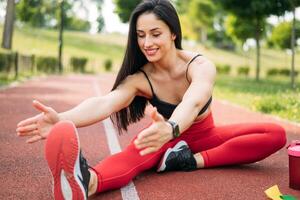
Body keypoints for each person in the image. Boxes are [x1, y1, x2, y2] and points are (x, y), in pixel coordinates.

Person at [16, 0, 287, 199]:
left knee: (275, 134)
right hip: (163, 137)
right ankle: (85, 182)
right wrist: (62, 118)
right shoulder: (140, 78)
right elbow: (105, 102)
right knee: (133, 156)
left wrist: (175, 130)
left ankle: (189, 161)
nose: (147, 43)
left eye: (155, 34)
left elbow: (193, 102)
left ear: (173, 33)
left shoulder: (200, 65)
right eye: (141, 35)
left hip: (201, 136)